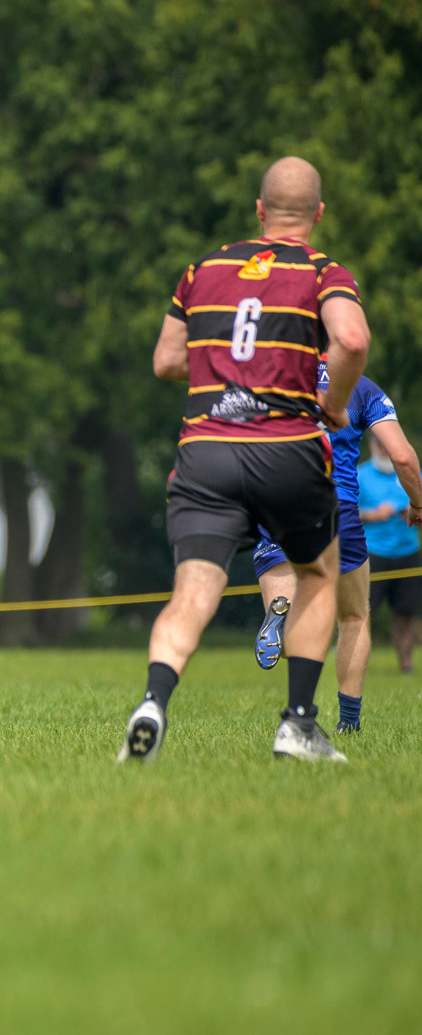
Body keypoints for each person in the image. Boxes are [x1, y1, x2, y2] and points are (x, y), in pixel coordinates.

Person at [119, 156, 369, 763]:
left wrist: (221, 369)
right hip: (286, 451)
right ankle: (299, 724)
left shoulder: (203, 269)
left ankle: (153, 702)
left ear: (259, 211)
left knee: (192, 592)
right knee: (315, 574)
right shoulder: (322, 272)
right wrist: (334, 404)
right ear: (318, 214)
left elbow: (165, 360)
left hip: (205, 451)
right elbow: (353, 340)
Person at [252, 362, 421, 732]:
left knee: (287, 625)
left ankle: (281, 613)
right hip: (337, 509)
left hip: (276, 501)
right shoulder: (362, 388)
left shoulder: (274, 375)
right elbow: (404, 457)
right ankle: (349, 723)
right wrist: (418, 504)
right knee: (354, 617)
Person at [361, 438, 422, 674]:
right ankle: (357, 663)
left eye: (389, 445)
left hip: (407, 551)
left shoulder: (412, 474)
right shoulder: (360, 475)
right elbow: (344, 513)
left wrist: (413, 510)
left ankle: (406, 666)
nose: (385, 450)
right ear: (372, 446)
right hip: (373, 552)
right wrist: (372, 514)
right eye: (381, 445)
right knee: (366, 612)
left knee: (405, 614)